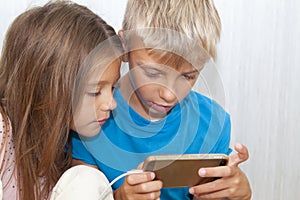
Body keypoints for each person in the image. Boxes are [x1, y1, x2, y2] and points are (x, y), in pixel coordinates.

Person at [72, 0, 252, 199]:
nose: (169, 95)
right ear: (125, 46)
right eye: (152, 73)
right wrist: (118, 197)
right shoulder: (92, 116)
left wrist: (234, 195)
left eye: (188, 76)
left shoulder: (212, 123)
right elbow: (79, 190)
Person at [0, 1, 122, 200]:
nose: (111, 103)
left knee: (88, 180)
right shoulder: (3, 132)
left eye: (113, 87)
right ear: (45, 87)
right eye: (95, 92)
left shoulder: (67, 147)